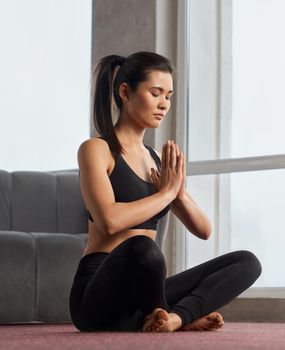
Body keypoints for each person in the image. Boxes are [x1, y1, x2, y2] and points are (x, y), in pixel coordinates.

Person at [69, 51, 262, 333]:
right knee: (143, 247)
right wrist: (165, 194)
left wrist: (179, 193)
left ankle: (172, 318)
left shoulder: (158, 160)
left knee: (247, 262)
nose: (164, 104)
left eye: (168, 96)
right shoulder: (96, 149)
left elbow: (204, 230)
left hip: (145, 293)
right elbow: (108, 221)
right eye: (156, 93)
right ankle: (166, 313)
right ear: (125, 92)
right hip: (98, 297)